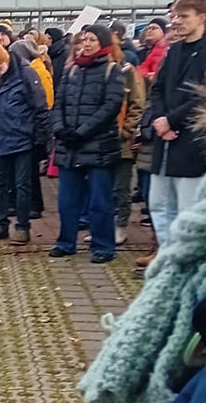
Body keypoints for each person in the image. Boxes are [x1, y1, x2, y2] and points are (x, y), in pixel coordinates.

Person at [49, 24, 126, 263]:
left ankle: (103, 246)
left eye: (92, 39)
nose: (87, 43)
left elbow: (110, 107)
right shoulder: (72, 70)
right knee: (67, 200)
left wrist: (82, 132)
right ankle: (66, 242)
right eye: (84, 39)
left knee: (99, 201)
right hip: (69, 146)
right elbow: (58, 103)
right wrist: (60, 129)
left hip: (98, 146)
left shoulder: (112, 70)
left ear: (103, 43)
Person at [147, 0, 206, 247]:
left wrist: (172, 121)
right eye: (174, 16)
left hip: (191, 142)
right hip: (164, 141)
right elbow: (157, 88)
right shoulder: (174, 51)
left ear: (202, 18)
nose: (176, 22)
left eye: (184, 16)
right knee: (159, 205)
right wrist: (159, 118)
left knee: (188, 209)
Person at [0, 43, 50, 245]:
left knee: (22, 185)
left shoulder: (26, 74)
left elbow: (40, 107)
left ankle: (22, 227)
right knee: (1, 185)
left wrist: (41, 140)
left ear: (7, 61)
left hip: (23, 140)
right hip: (0, 139)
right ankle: (1, 224)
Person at [9, 39, 54, 219]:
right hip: (30, 125)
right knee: (26, 169)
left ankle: (35, 205)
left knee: (30, 170)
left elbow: (45, 102)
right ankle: (26, 203)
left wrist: (42, 129)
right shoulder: (30, 69)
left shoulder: (35, 71)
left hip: (34, 126)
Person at [108, 44, 145, 246]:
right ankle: (105, 225)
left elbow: (137, 104)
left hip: (121, 140)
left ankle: (120, 225)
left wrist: (126, 131)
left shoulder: (129, 73)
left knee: (121, 186)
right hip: (101, 141)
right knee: (103, 186)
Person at [138, 18, 170, 84]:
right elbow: (143, 67)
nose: (149, 31)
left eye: (154, 28)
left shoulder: (167, 48)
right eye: (148, 28)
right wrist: (147, 75)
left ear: (164, 32)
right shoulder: (152, 50)